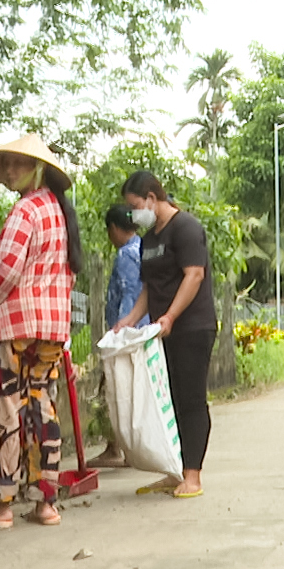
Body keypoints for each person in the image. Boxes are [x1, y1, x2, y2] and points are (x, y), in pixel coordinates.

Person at [0, 135, 83, 529]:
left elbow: (5, 273)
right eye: (7, 164)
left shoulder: (25, 212)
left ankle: (0, 505)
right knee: (43, 406)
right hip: (50, 329)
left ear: (38, 168)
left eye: (17, 164)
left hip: (13, 328)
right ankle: (46, 501)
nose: (10, 171)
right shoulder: (60, 213)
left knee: (6, 410)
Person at [113, 170, 215, 499]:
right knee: (168, 403)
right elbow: (149, 288)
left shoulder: (185, 228)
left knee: (191, 400)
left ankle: (193, 475)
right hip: (162, 331)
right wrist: (130, 319)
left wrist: (171, 315)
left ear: (153, 199)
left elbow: (194, 275)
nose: (134, 214)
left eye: (136, 205)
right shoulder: (150, 239)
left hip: (192, 327)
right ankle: (175, 470)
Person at [86, 203, 144, 469]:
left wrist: (119, 331)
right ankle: (122, 446)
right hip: (142, 331)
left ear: (113, 229)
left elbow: (128, 295)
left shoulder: (125, 255)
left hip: (127, 333)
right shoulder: (143, 248)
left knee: (118, 391)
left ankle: (119, 447)